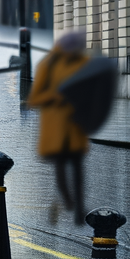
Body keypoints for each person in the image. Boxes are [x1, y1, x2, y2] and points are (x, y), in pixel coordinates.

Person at [28, 28, 91, 225]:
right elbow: (34, 99)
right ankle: (69, 203)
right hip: (55, 130)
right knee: (61, 170)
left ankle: (79, 208)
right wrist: (55, 96)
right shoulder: (48, 65)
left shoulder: (84, 64)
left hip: (75, 127)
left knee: (79, 170)